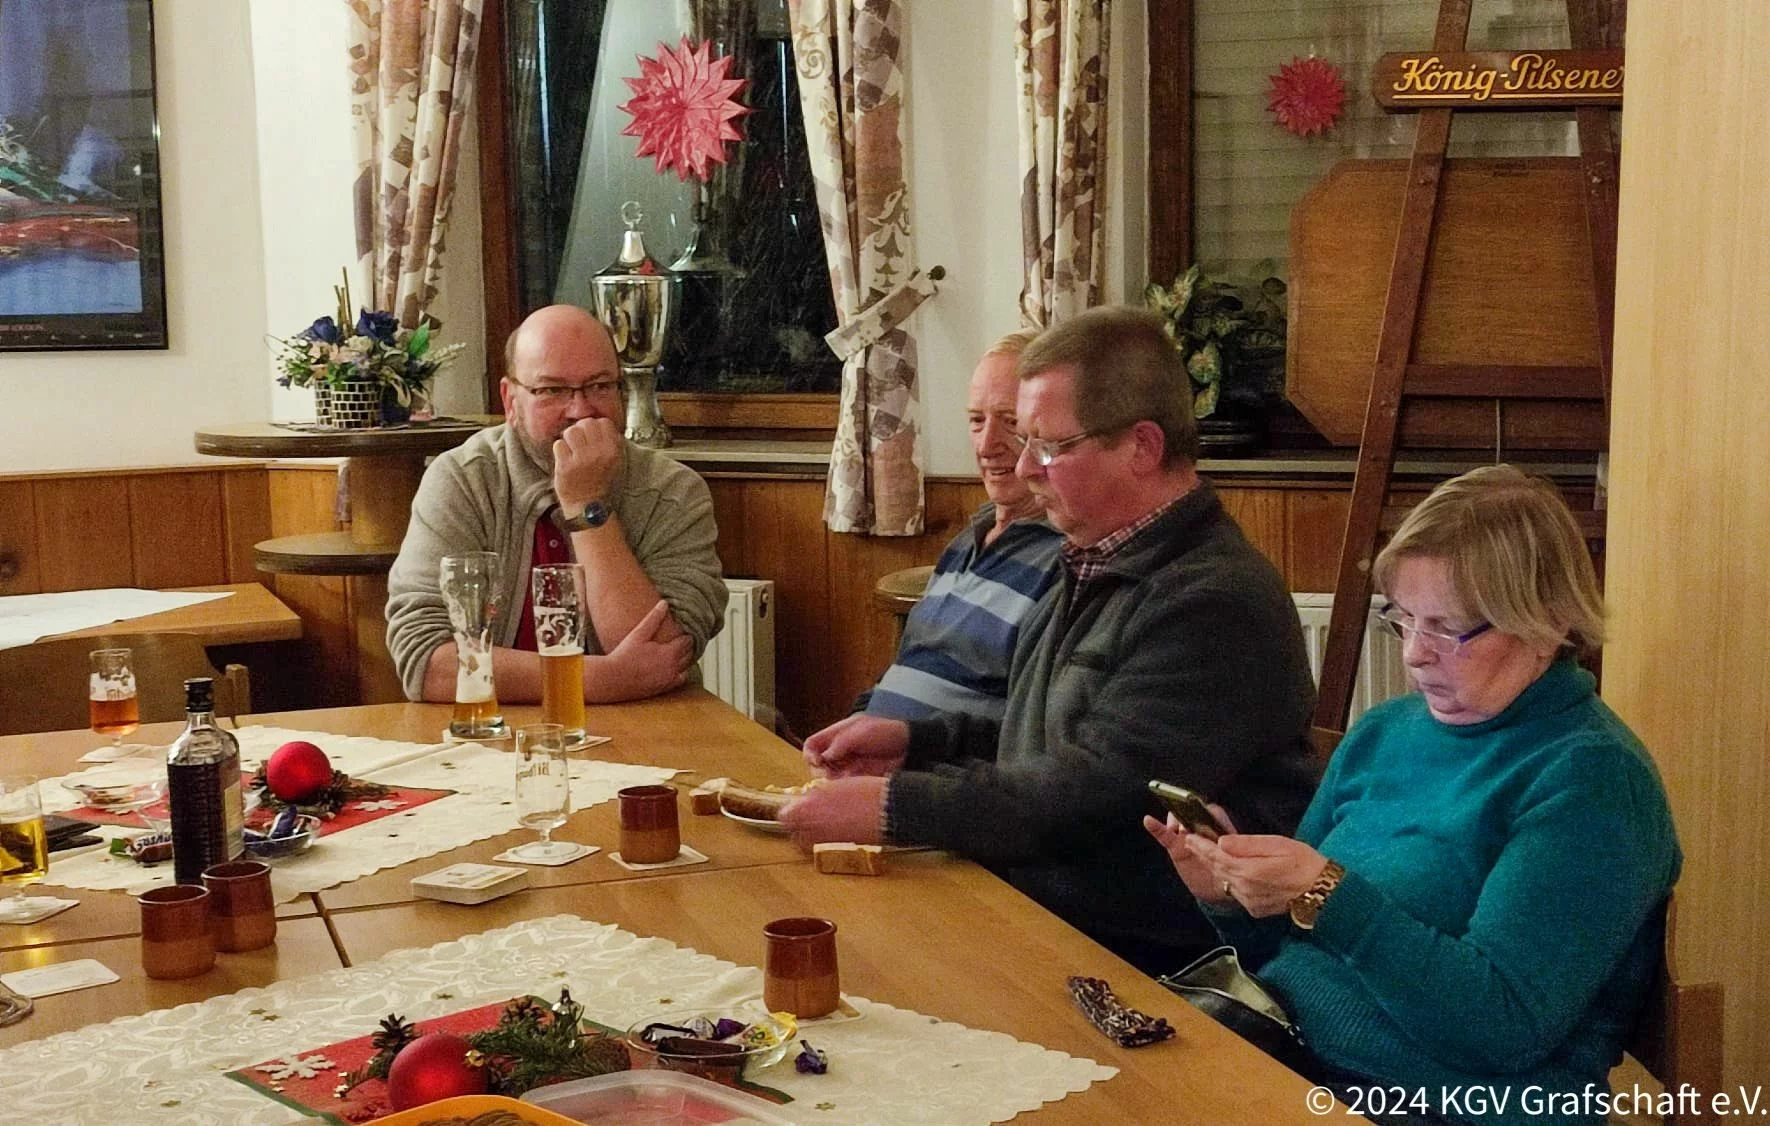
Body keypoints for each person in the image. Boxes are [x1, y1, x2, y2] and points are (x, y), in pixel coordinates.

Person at [782, 306, 1321, 973]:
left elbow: (1092, 794)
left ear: (1142, 447)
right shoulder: (1093, 557)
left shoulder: (1212, 602)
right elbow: (1048, 735)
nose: (1026, 467)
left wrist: (898, 806)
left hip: (1143, 959)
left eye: (1049, 445)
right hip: (1040, 914)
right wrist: (918, 741)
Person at [1147, 465, 1680, 1126]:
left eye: (1448, 628)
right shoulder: (1385, 733)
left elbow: (1503, 1028)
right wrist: (1229, 897)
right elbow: (1286, 953)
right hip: (1289, 1055)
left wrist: (1327, 893)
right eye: (1404, 620)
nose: (1415, 655)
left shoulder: (1592, 780)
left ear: (1546, 624)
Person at [386, 304, 727, 705]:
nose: (580, 410)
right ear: (510, 400)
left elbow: (663, 656)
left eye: (600, 386)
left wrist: (587, 505)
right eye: (552, 390)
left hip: (647, 726)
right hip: (491, 729)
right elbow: (425, 662)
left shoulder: (674, 490)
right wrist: (594, 680)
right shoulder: (462, 480)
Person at [821, 330, 1061, 727]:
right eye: (976, 421)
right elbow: (910, 666)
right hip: (872, 750)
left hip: (934, 763)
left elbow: (1027, 731)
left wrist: (898, 743)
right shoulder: (968, 539)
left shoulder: (1065, 559)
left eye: (1010, 422)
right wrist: (856, 723)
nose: (987, 445)